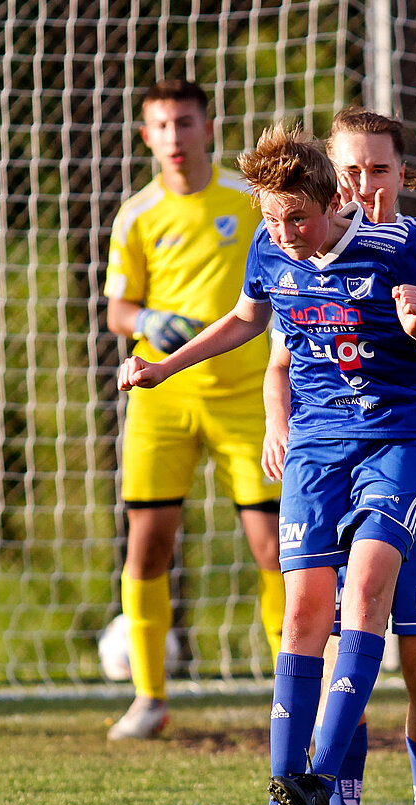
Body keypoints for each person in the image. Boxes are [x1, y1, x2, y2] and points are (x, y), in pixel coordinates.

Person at [117, 124, 416, 805]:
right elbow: (248, 318)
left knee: (367, 592)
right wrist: (163, 367)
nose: (284, 232)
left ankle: (308, 794)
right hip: (316, 448)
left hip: (397, 439)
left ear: (333, 200)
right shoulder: (271, 245)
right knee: (305, 610)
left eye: (296, 218)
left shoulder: (391, 250)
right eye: (272, 218)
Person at [260, 109, 416, 805]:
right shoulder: (304, 242)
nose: (363, 183)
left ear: (403, 176)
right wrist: (277, 426)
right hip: (339, 466)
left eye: (379, 169)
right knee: (340, 633)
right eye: (349, 170)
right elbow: (281, 356)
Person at [103, 80, 284, 741]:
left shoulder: (251, 206)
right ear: (146, 136)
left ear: (208, 128)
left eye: (185, 122)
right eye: (161, 125)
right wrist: (147, 318)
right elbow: (118, 309)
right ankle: (149, 698)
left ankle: (291, 693)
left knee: (275, 550)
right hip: (162, 397)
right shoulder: (137, 215)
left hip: (244, 398)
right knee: (146, 549)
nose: (175, 136)